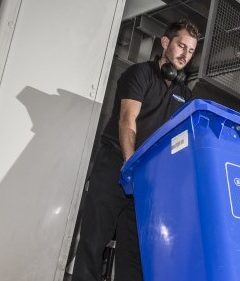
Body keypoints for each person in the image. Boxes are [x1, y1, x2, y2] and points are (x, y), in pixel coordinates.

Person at [73, 19, 199, 281]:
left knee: (135, 253)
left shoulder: (185, 95)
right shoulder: (140, 74)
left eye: (191, 51)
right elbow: (127, 120)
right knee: (94, 242)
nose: (185, 55)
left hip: (147, 180)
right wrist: (130, 164)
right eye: (181, 46)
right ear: (166, 43)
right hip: (117, 165)